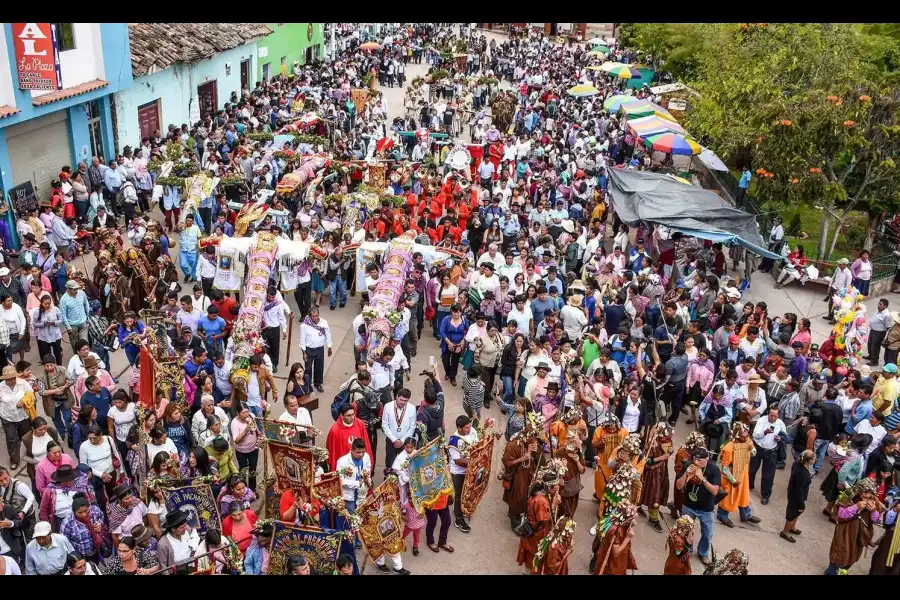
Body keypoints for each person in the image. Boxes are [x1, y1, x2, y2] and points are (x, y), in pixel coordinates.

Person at [825, 478, 885, 575]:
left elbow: (876, 519)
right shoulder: (848, 497)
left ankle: (842, 570)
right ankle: (831, 571)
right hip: (845, 533)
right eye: (865, 492)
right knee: (840, 552)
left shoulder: (874, 501)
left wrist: (873, 511)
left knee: (853, 553)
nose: (867, 495)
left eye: (870, 493)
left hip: (859, 535)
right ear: (859, 490)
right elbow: (841, 515)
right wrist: (856, 506)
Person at [674, 446, 721, 566]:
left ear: (707, 458)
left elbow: (715, 491)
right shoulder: (689, 466)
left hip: (706, 508)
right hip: (689, 505)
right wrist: (686, 474)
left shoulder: (714, 469)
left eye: (700, 460)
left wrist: (702, 478)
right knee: (685, 530)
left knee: (707, 533)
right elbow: (679, 486)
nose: (696, 462)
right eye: (695, 459)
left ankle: (703, 552)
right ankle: (687, 550)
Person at [716, 422, 761, 527]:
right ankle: (722, 515)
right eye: (743, 436)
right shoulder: (729, 448)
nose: (745, 437)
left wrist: (751, 447)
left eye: (747, 435)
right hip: (731, 476)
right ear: (737, 435)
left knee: (743, 495)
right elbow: (724, 468)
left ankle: (746, 514)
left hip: (743, 474)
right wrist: (733, 480)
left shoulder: (748, 441)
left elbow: (753, 453)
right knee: (728, 496)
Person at [516, 470, 560, 574]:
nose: (558, 487)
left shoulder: (539, 491)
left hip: (532, 528)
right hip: (537, 534)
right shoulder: (542, 502)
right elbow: (545, 520)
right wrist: (553, 506)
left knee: (529, 555)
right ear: (549, 487)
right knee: (533, 556)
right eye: (556, 485)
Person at [447, 415, 479, 534]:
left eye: (469, 426)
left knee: (469, 491)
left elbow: (477, 445)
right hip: (458, 472)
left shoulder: (473, 431)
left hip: (471, 469)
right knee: (459, 495)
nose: (469, 429)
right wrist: (475, 462)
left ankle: (465, 508)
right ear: (459, 428)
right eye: (466, 428)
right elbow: (458, 461)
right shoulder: (454, 441)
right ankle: (458, 519)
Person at [749, 404, 786, 505]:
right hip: (758, 448)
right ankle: (749, 484)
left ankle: (765, 495)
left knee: (768, 475)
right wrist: (764, 433)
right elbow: (755, 435)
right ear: (768, 414)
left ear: (778, 416)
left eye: (775, 416)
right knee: (752, 469)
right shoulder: (762, 420)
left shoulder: (781, 424)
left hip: (771, 451)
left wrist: (780, 439)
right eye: (771, 415)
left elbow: (785, 437)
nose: (773, 418)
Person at [591, 498, 638, 575]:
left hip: (617, 562)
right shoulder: (615, 531)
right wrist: (628, 538)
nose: (634, 521)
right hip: (611, 566)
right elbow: (615, 553)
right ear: (626, 518)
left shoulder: (618, 522)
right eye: (632, 518)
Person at [0, 365, 33, 470]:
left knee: (27, 436)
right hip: (7, 417)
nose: (11, 381)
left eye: (13, 378)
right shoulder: (1, 387)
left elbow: (31, 394)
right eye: (8, 380)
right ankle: (14, 460)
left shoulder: (23, 383)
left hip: (23, 415)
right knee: (11, 438)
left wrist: (23, 401)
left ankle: (31, 453)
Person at [780, 449, 815, 543]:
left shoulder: (797, 463)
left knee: (797, 513)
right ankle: (785, 531)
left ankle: (792, 527)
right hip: (796, 496)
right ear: (810, 460)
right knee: (792, 513)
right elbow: (799, 490)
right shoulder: (802, 473)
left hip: (795, 492)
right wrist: (801, 504)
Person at [156, 508, 200, 575]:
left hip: (190, 567)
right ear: (173, 529)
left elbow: (194, 538)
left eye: (185, 525)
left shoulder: (187, 529)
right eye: (182, 527)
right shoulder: (163, 544)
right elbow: (163, 567)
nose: (184, 528)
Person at [298, 307, 332, 392]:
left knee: (319, 367)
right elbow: (302, 341)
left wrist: (329, 347)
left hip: (320, 349)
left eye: (317, 316)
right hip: (309, 350)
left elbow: (328, 334)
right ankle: (307, 386)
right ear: (309, 316)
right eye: (313, 316)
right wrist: (304, 353)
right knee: (308, 369)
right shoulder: (304, 326)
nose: (315, 318)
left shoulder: (323, 323)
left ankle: (318, 384)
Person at [336, 438, 372, 513]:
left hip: (362, 495)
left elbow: (368, 471)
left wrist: (368, 480)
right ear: (351, 450)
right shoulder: (342, 461)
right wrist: (357, 484)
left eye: (363, 452)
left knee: (362, 518)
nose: (361, 455)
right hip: (349, 498)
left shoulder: (366, 457)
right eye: (358, 452)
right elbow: (340, 481)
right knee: (351, 521)